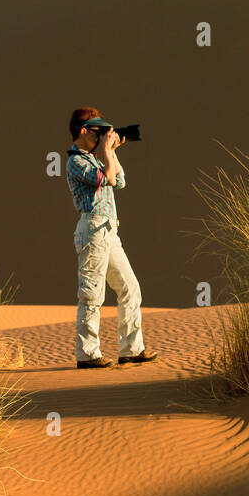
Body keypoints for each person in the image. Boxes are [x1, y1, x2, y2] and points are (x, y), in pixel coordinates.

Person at [66, 107, 157, 369]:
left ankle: (131, 348)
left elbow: (120, 182)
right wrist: (106, 151)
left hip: (109, 231)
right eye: (97, 132)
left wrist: (112, 151)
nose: (101, 137)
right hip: (92, 230)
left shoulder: (96, 157)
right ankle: (87, 354)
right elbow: (105, 178)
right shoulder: (76, 161)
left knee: (130, 287)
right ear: (83, 131)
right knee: (92, 294)